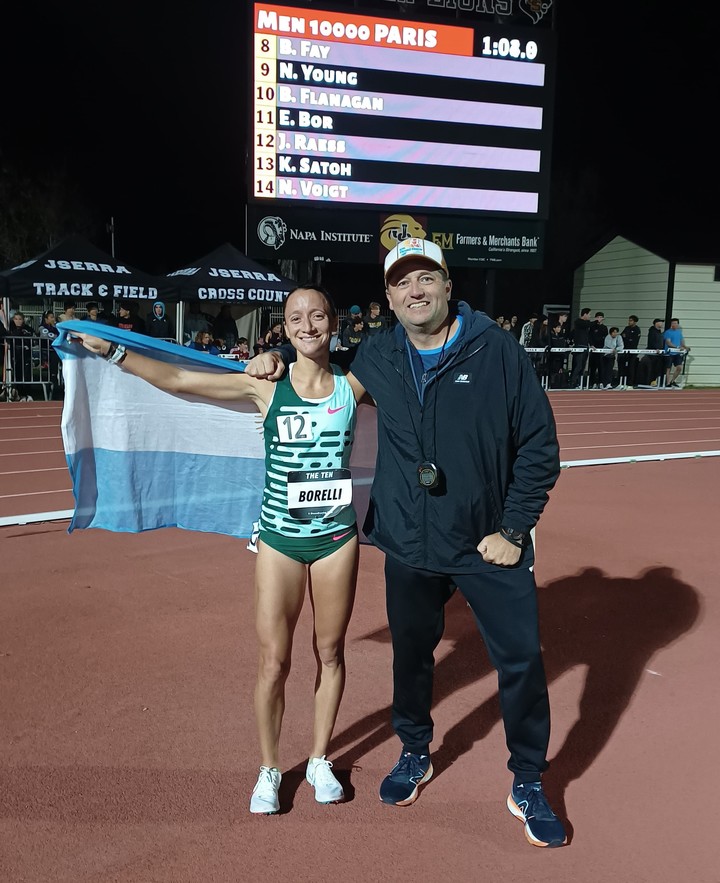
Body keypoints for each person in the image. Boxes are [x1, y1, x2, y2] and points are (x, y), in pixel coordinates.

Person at [246, 239, 566, 848]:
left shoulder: (496, 350)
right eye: (401, 283)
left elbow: (540, 447)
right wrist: (274, 361)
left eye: (425, 278)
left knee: (521, 663)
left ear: (448, 286)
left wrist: (514, 528)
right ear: (389, 297)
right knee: (412, 660)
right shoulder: (378, 354)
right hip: (410, 542)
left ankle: (527, 779)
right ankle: (414, 750)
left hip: (487, 543)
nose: (414, 291)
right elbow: (321, 382)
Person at [70, 284, 366, 816]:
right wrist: (116, 351)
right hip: (278, 539)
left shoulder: (354, 385)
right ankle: (270, 769)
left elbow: (416, 353)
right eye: (296, 317)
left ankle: (320, 758)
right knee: (274, 661)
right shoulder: (265, 387)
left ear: (333, 322)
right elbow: (183, 381)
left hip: (336, 540)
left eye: (317, 315)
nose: (307, 325)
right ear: (285, 324)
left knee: (331, 652)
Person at [6, 310, 35, 401]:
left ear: (23, 320)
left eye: (20, 319)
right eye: (16, 319)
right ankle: (19, 393)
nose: (18, 321)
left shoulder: (28, 329)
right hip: (15, 355)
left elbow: (33, 338)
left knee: (27, 374)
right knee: (17, 374)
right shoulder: (10, 329)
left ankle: (28, 394)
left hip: (26, 355)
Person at [38, 310, 63, 399]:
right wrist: (56, 338)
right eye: (51, 317)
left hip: (56, 352)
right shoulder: (42, 327)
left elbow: (61, 336)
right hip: (47, 353)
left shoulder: (57, 327)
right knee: (48, 373)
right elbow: (45, 337)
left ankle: (56, 391)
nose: (53, 319)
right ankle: (49, 391)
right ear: (46, 319)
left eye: (53, 317)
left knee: (55, 372)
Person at [637, 318, 665, 386]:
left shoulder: (659, 331)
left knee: (657, 368)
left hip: (658, 354)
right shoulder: (652, 331)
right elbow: (651, 341)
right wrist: (656, 348)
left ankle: (654, 381)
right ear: (656, 323)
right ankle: (648, 382)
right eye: (660, 322)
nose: (662, 324)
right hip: (652, 354)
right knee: (651, 368)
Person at [569, 308, 592, 389]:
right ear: (585, 314)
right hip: (579, 346)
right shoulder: (578, 322)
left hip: (585, 346)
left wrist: (591, 344)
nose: (590, 316)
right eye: (589, 314)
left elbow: (588, 335)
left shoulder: (586, 326)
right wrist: (596, 321)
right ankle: (572, 383)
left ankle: (579, 383)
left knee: (582, 366)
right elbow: (586, 324)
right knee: (578, 366)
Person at [664, 318, 690, 388]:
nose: (674, 325)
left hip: (677, 353)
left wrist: (685, 347)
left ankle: (673, 381)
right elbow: (668, 342)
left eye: (675, 323)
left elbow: (682, 342)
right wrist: (677, 347)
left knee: (679, 367)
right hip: (669, 353)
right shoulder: (668, 332)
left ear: (678, 324)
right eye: (673, 323)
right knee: (668, 368)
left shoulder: (679, 332)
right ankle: (668, 382)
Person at [587, 311, 608, 389]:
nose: (599, 319)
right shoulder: (592, 327)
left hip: (601, 349)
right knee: (592, 367)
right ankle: (592, 383)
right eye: (598, 317)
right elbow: (590, 336)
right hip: (593, 349)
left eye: (600, 317)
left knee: (601, 366)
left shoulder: (604, 328)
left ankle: (601, 382)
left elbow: (606, 338)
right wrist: (592, 345)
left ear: (603, 318)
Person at [619, 315, 641, 387]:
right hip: (625, 350)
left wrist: (627, 338)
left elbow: (634, 340)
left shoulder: (637, 329)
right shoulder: (627, 328)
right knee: (622, 366)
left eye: (631, 321)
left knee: (631, 366)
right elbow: (622, 336)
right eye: (629, 320)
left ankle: (630, 382)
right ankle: (621, 381)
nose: (629, 322)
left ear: (635, 322)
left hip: (632, 351)